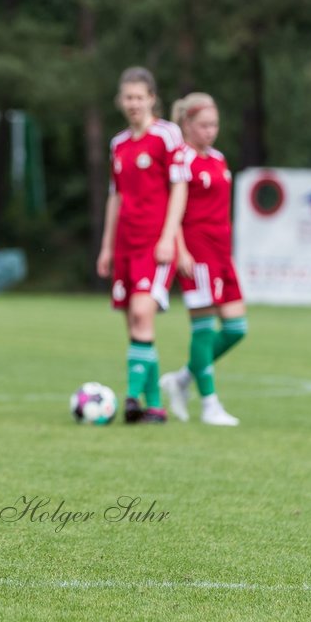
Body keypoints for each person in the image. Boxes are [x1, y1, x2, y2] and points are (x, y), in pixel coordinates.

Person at [96, 67, 189, 424]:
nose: (133, 104)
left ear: (152, 98)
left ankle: (131, 397)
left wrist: (169, 237)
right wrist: (106, 247)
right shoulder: (118, 144)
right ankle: (155, 407)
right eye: (128, 98)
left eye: (139, 97)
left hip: (154, 243)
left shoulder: (167, 135)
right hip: (125, 245)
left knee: (141, 314)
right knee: (134, 326)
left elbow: (179, 187)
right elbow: (115, 198)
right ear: (121, 101)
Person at [159, 93, 246, 426]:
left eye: (215, 125)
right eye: (204, 125)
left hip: (222, 253)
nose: (211, 131)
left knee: (237, 327)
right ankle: (210, 404)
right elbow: (174, 207)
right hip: (197, 253)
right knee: (204, 328)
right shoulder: (181, 158)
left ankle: (181, 380)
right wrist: (180, 247)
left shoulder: (219, 159)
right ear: (187, 125)